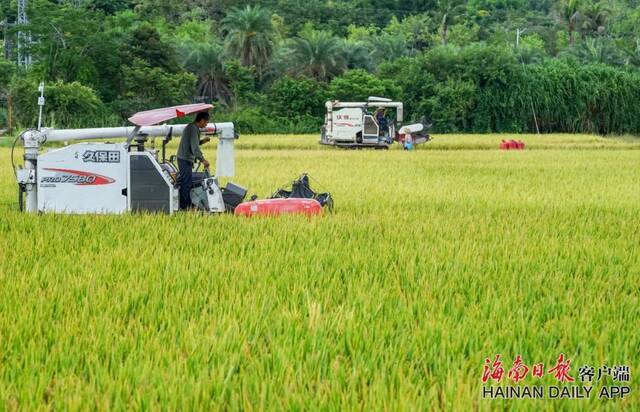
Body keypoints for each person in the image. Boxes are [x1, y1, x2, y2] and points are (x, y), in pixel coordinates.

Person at [177, 111, 211, 210]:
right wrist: (203, 160)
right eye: (206, 122)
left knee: (187, 182)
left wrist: (203, 141)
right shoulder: (193, 129)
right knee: (186, 183)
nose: (206, 125)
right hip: (184, 159)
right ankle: (185, 207)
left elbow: (194, 143)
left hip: (184, 158)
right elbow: (195, 148)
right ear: (202, 120)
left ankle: (187, 205)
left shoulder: (192, 127)